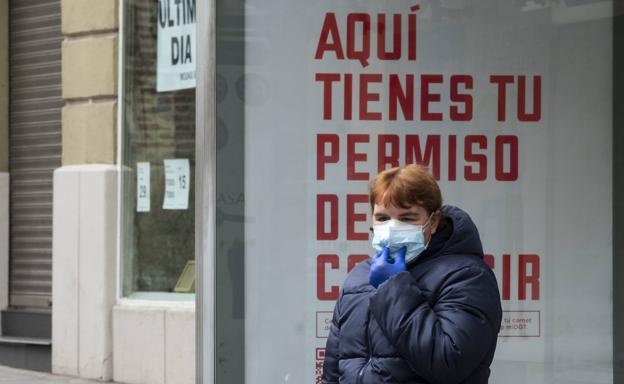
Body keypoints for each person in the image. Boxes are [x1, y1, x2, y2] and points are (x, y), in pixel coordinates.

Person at [322, 164, 502, 384]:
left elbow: (448, 362)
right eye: (382, 218)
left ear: (433, 222)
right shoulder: (359, 277)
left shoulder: (467, 276)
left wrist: (392, 286)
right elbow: (333, 371)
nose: (392, 227)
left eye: (407, 218)